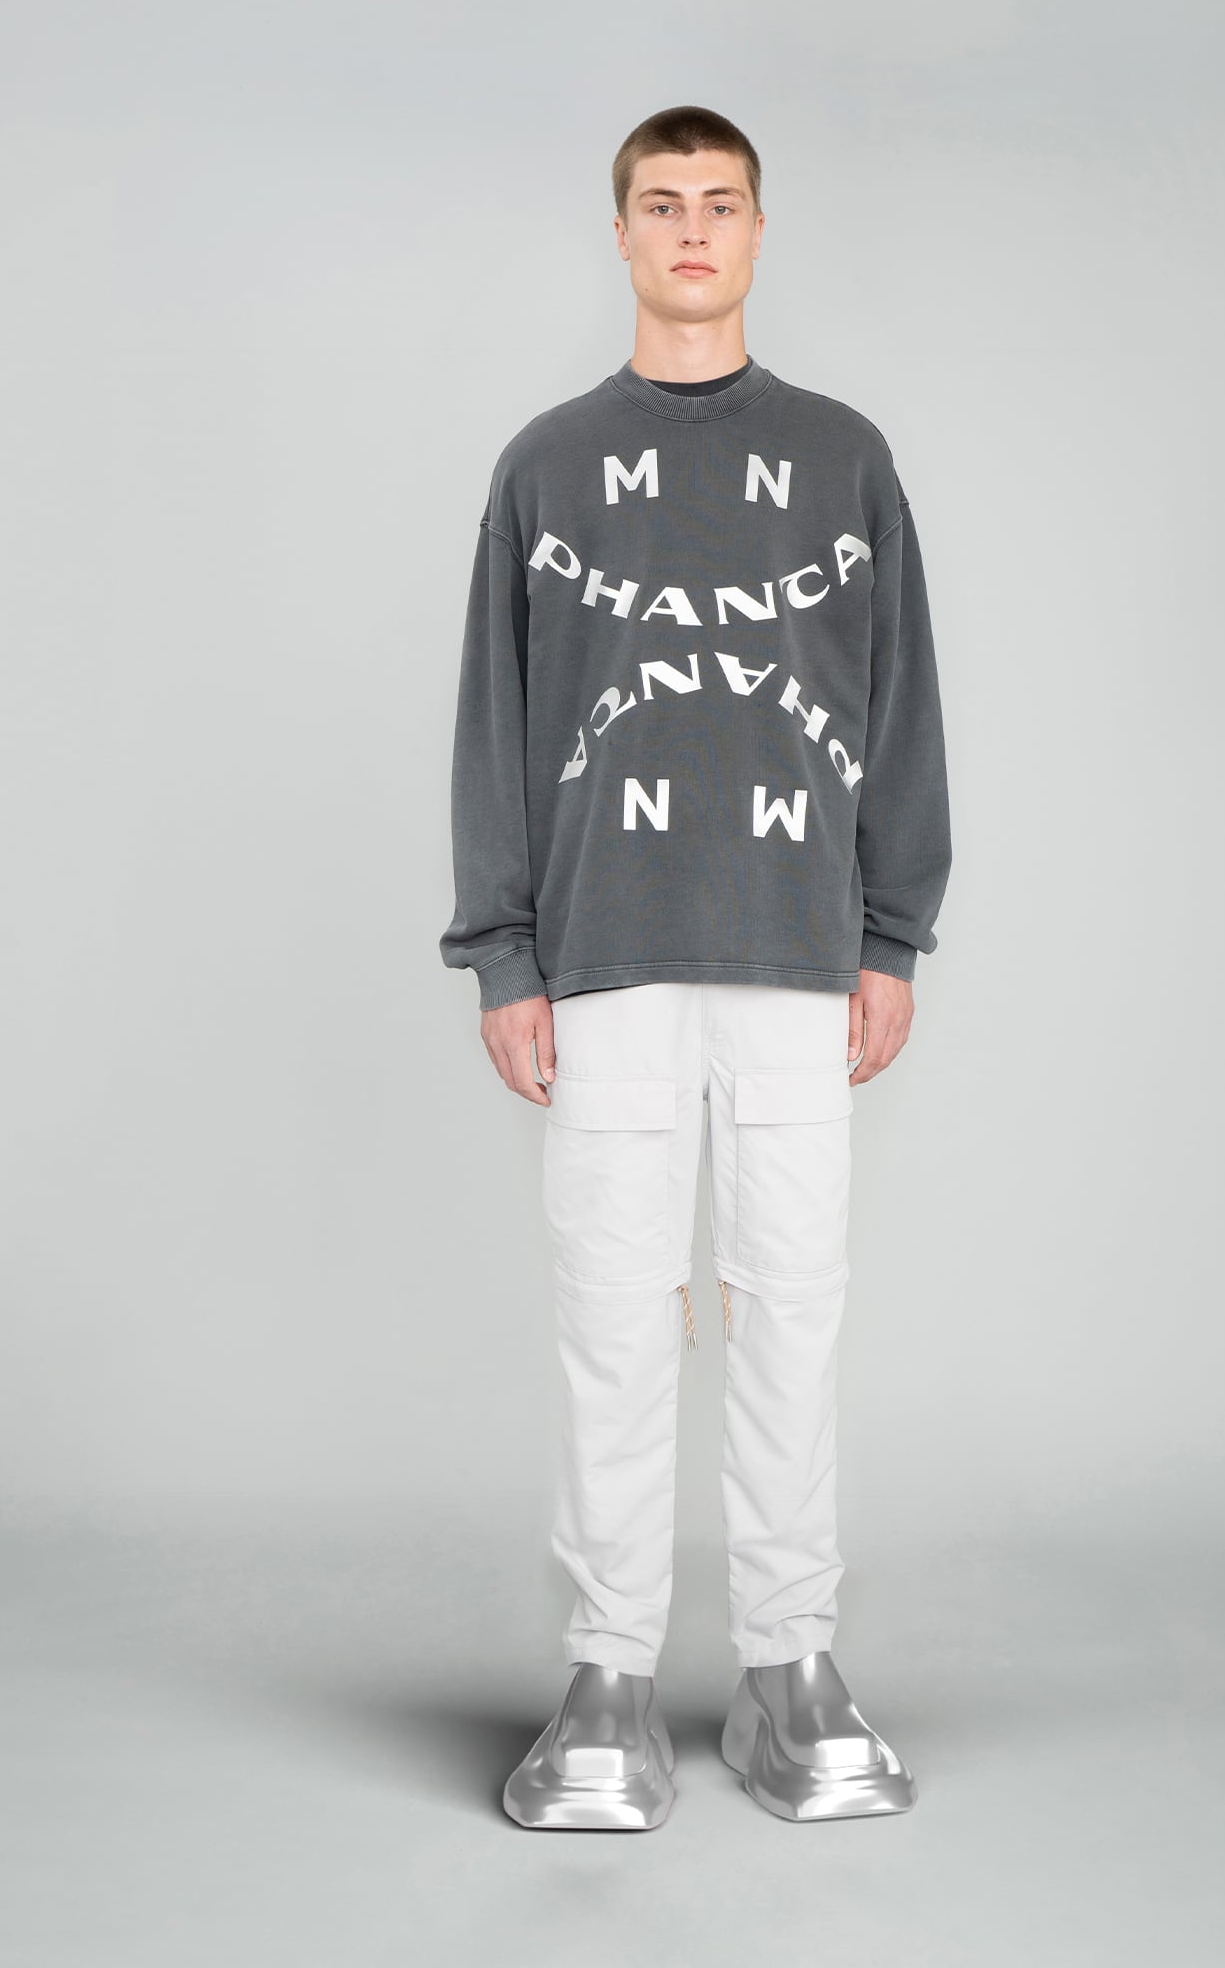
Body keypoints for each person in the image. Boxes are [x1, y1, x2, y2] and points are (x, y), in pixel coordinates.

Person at [440, 104, 952, 1828]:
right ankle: (607, 1673)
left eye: (718, 203)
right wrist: (503, 954)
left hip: (798, 953)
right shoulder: (545, 467)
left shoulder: (846, 459)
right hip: (604, 957)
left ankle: (791, 1668)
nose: (689, 230)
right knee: (612, 1310)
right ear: (621, 234)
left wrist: (891, 929)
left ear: (755, 232)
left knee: (793, 1305)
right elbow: (496, 726)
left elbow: (900, 707)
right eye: (660, 203)